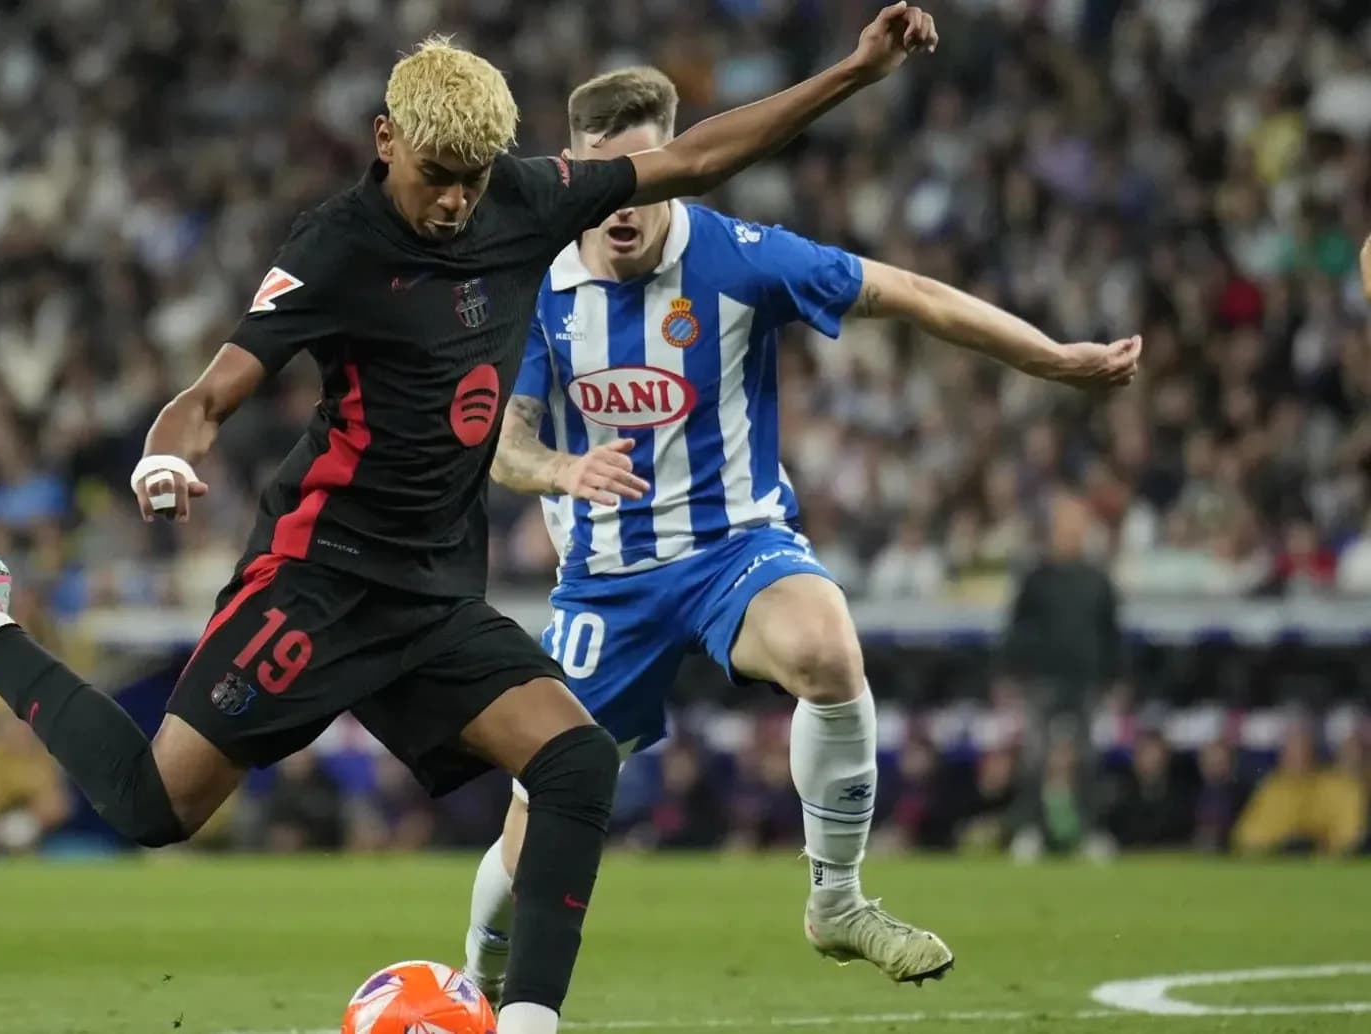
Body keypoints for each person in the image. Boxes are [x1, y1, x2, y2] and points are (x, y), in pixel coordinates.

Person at [0, 10, 937, 1032]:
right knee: (155, 805)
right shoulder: (334, 244)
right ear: (386, 137)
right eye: (439, 176)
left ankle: (528, 1024)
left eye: (472, 180)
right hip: (319, 576)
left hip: (433, 592)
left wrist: (854, 69)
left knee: (577, 760)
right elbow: (216, 385)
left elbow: (698, 153)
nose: (455, 202)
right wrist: (165, 449)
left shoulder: (523, 198)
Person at [465, 65, 1140, 995]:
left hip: (734, 549)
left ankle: (837, 901)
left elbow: (909, 292)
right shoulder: (538, 280)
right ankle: (478, 969)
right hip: (604, 583)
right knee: (534, 829)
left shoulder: (740, 258)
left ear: (674, 167)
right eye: (599, 177)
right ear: (573, 170)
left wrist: (1051, 358)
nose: (620, 203)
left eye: (641, 175)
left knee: (826, 647)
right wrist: (558, 470)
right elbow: (506, 440)